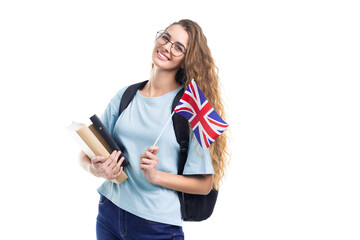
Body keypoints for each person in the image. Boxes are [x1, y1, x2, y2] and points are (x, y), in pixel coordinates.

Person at [79, 19, 229, 240]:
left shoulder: (190, 108)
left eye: (178, 47)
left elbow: (205, 184)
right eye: (165, 38)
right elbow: (85, 153)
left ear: (186, 60)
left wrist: (156, 176)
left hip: (156, 226)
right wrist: (97, 170)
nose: (167, 47)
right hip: (109, 211)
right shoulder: (126, 96)